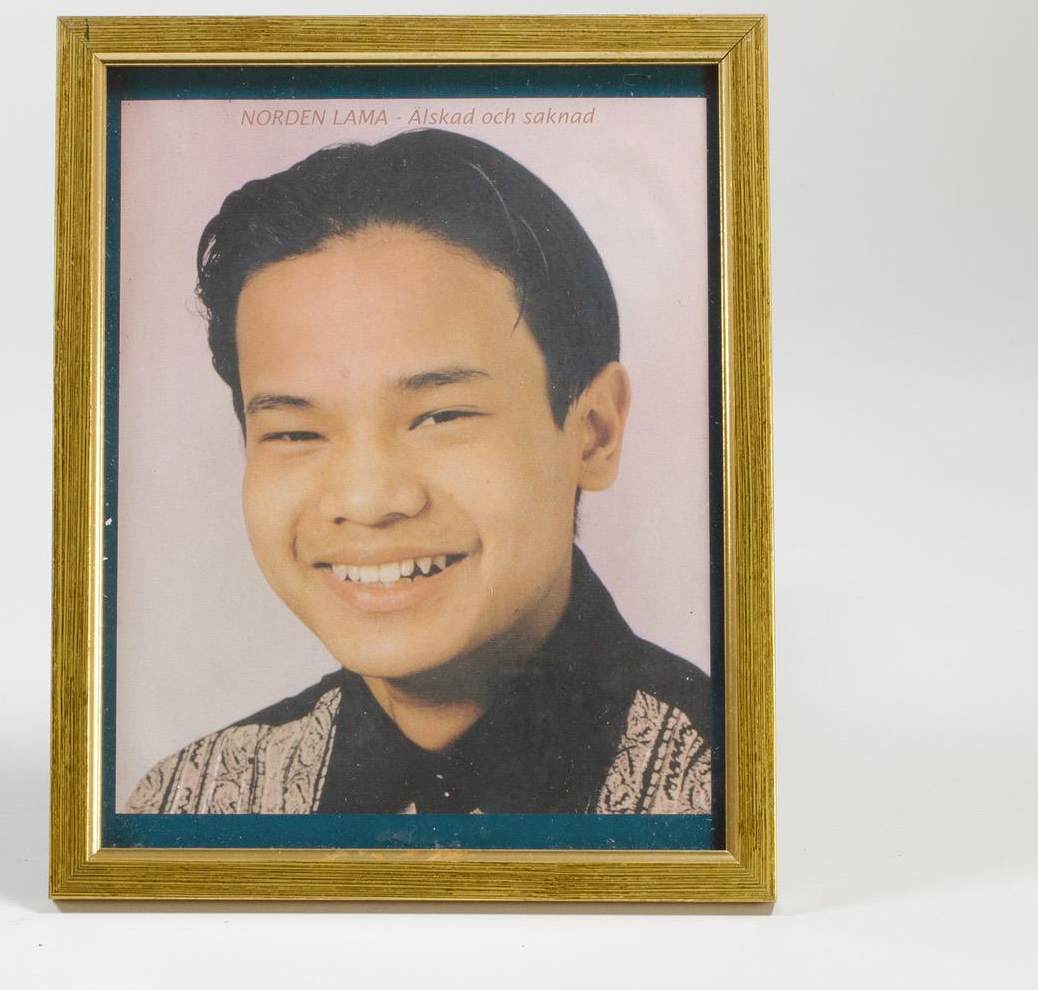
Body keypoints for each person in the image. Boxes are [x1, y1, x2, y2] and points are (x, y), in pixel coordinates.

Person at [126, 128, 711, 816]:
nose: (366, 499)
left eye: (439, 416)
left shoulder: (726, 793)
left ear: (594, 432)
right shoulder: (187, 802)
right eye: (295, 432)